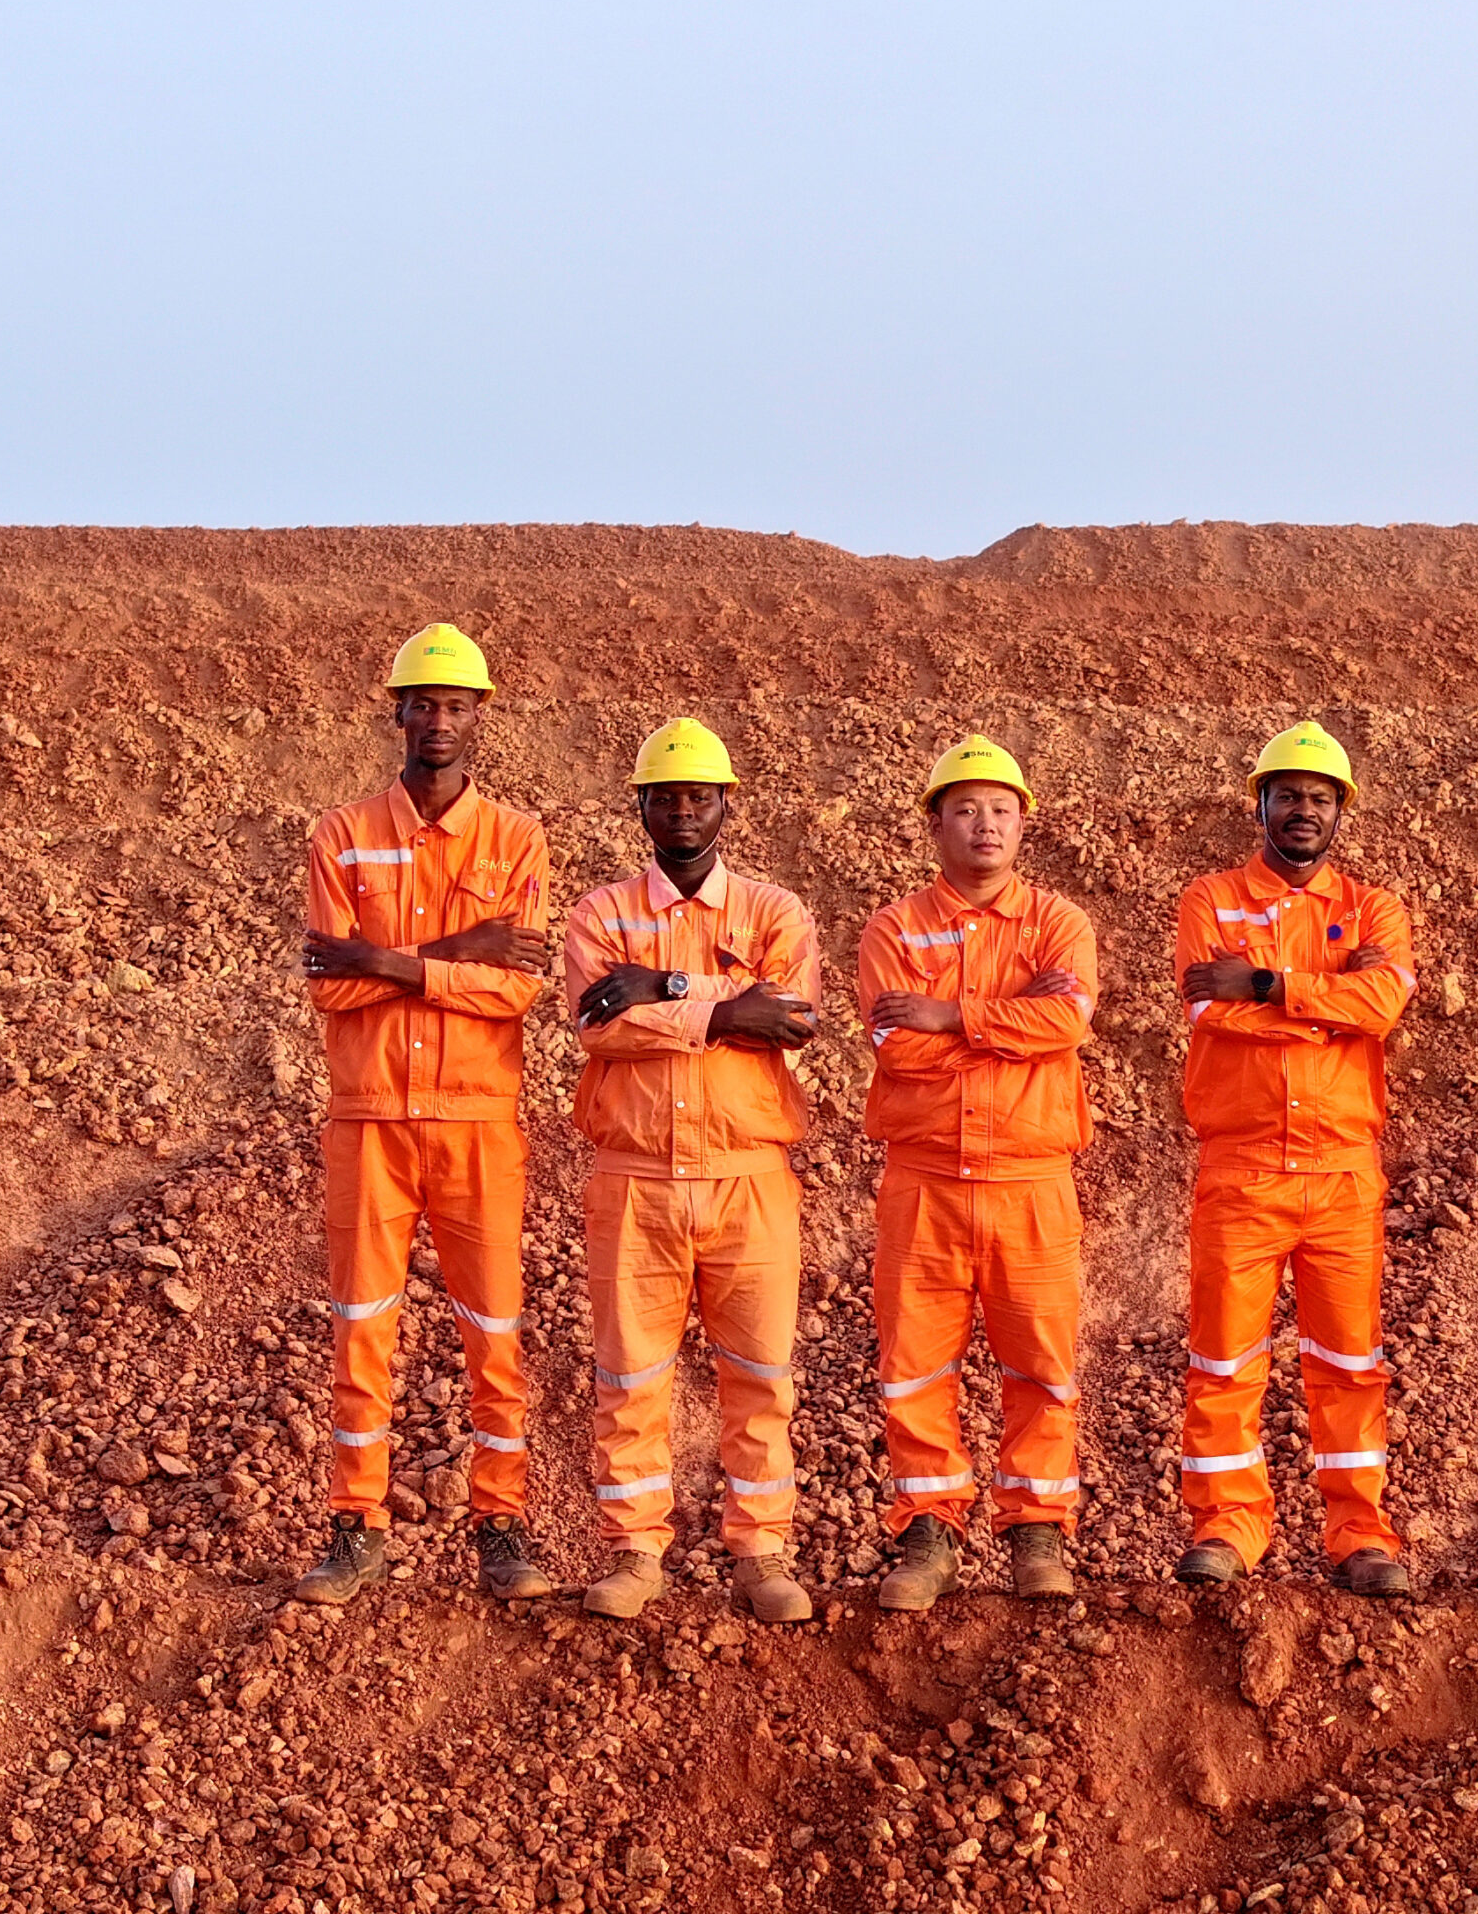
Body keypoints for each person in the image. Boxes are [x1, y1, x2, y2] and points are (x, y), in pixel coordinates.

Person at [293, 623, 553, 1606]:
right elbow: (330, 985)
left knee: (493, 1329)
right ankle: (355, 1526)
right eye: (423, 702)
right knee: (362, 1327)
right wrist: (458, 950)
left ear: (479, 716)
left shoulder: (516, 839)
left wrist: (386, 960)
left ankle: (502, 1527)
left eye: (456, 704)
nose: (438, 719)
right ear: (396, 711)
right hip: (368, 1118)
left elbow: (516, 990)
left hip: (477, 1121)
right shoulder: (342, 834)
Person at [561, 717, 824, 1622]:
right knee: (630, 1377)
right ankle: (635, 1552)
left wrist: (665, 986)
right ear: (640, 806)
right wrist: (724, 1009)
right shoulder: (600, 914)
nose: (683, 810)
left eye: (699, 795)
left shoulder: (775, 912)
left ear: (725, 805)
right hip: (634, 1176)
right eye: (666, 796)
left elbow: (791, 1016)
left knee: (760, 1375)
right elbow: (598, 1026)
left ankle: (761, 1552)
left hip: (749, 1175)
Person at [1171, 721, 1417, 1595]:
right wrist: (1332, 997)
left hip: (1342, 1168)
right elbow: (1212, 1011)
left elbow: (1382, 1006)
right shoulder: (1210, 899)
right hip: (1242, 1166)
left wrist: (1269, 985)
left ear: (1339, 810)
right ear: (1261, 806)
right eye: (1288, 795)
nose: (1303, 809)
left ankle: (1360, 1536)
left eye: (1319, 797)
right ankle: (1226, 1527)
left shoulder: (1377, 909)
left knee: (1350, 1363)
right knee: (1225, 1357)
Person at [855, 736, 1100, 1610]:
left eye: (999, 809)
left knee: (1041, 1364)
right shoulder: (894, 928)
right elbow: (898, 1047)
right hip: (924, 1180)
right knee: (917, 1365)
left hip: (1031, 1179)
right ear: (935, 825)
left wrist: (952, 1014)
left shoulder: (1061, 924)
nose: (984, 824)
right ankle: (929, 1532)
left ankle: (1038, 1534)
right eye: (964, 809)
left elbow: (1067, 1023)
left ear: (1023, 822)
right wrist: (1009, 1023)